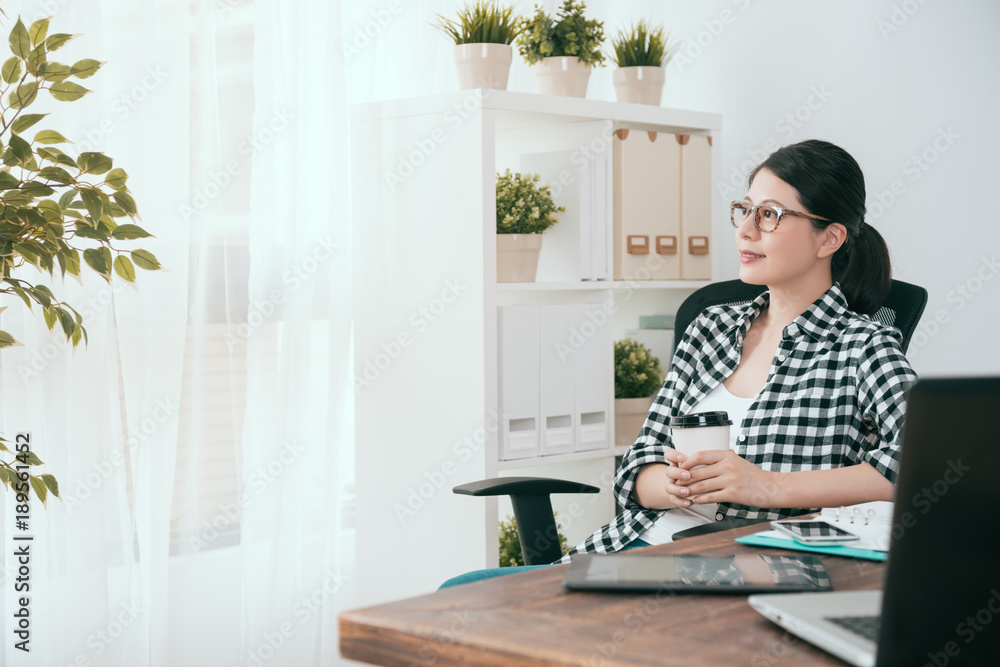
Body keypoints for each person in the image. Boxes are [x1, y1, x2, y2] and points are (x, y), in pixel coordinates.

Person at [440, 139, 916, 587]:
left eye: (770, 215)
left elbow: (924, 464)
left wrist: (766, 486)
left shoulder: (862, 346)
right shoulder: (710, 327)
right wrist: (671, 485)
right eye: (744, 210)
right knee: (456, 596)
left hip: (735, 573)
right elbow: (638, 466)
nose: (746, 230)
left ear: (828, 238)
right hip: (626, 554)